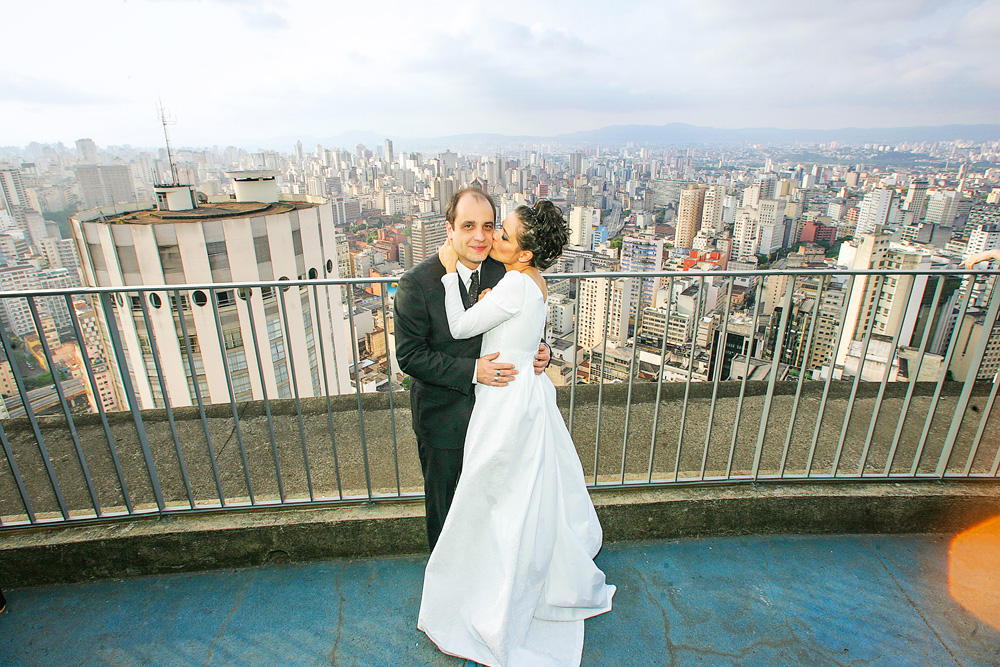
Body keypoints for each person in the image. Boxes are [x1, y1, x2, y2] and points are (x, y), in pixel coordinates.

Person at [418, 200, 615, 667]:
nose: (494, 239)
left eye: (503, 234)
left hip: (503, 402)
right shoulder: (533, 283)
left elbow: (461, 325)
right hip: (526, 393)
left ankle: (491, 599)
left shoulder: (511, 284)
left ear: (523, 253)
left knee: (493, 498)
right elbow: (521, 332)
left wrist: (449, 275)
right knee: (518, 498)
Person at [394, 187, 550, 550]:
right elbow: (410, 356)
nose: (480, 236)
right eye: (468, 225)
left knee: (499, 512)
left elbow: (527, 326)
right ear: (449, 229)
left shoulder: (509, 271)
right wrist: (471, 371)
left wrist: (542, 352)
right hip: (445, 421)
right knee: (447, 515)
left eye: (489, 226)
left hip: (501, 422)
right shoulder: (416, 284)